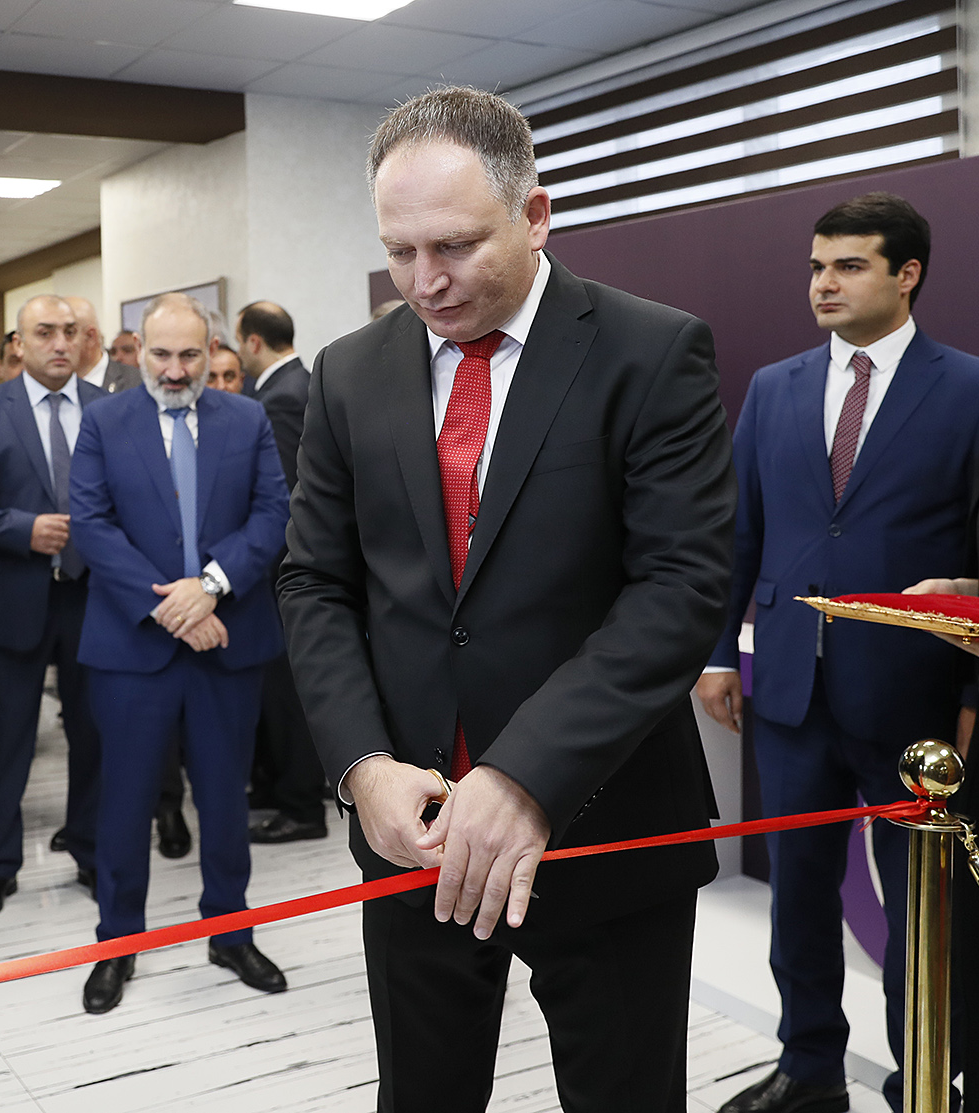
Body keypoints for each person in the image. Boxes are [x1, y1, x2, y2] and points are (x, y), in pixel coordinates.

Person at [277, 87, 734, 1111]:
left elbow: (677, 586)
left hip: (605, 826)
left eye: (453, 246)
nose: (423, 282)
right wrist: (360, 768)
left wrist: (524, 773)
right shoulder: (349, 373)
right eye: (398, 252)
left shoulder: (649, 352)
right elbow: (315, 580)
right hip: (413, 832)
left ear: (534, 215)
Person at [696, 192, 979, 1113]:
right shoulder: (774, 387)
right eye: (818, 265)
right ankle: (809, 1067)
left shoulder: (967, 389)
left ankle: (923, 1079)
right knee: (798, 898)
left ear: (908, 274)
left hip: (915, 699)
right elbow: (739, 532)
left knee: (924, 910)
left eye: (849, 265)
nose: (824, 282)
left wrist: (974, 698)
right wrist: (718, 653)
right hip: (788, 690)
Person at [69, 292, 292, 1014]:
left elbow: (274, 513)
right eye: (161, 354)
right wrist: (176, 606)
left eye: (189, 355)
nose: (174, 369)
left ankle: (230, 933)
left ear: (211, 351)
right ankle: (116, 942)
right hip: (133, 646)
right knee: (125, 800)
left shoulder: (247, 418)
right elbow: (91, 524)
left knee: (226, 798)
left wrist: (213, 586)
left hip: (228, 642)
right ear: (140, 351)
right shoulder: (105, 421)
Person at [0, 294, 103, 921]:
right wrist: (22, 528)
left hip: (93, 599)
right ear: (19, 344)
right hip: (13, 599)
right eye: (45, 332)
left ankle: (89, 851)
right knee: (8, 743)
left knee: (93, 735)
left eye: (70, 331)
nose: (60, 343)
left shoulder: (110, 409)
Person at [233, 300, 325, 844]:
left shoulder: (281, 398)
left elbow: (287, 500)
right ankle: (277, 788)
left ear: (252, 341)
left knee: (287, 693)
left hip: (281, 572)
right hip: (284, 571)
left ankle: (300, 805)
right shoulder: (298, 383)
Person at [68, 295, 141, 394]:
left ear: (90, 336)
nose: (58, 343)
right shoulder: (53, 385)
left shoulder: (138, 384)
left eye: (68, 333)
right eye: (49, 334)